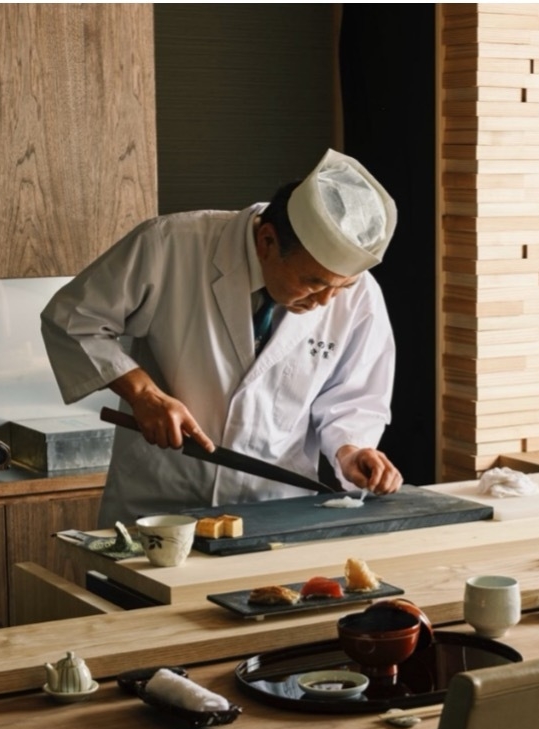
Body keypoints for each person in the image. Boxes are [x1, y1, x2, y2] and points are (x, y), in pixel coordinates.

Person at [41, 149, 403, 525]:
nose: (325, 300)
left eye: (341, 287)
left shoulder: (360, 296)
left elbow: (354, 395)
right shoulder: (170, 245)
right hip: (162, 504)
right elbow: (72, 319)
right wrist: (143, 395)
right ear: (266, 241)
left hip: (275, 508)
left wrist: (352, 450)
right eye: (313, 282)